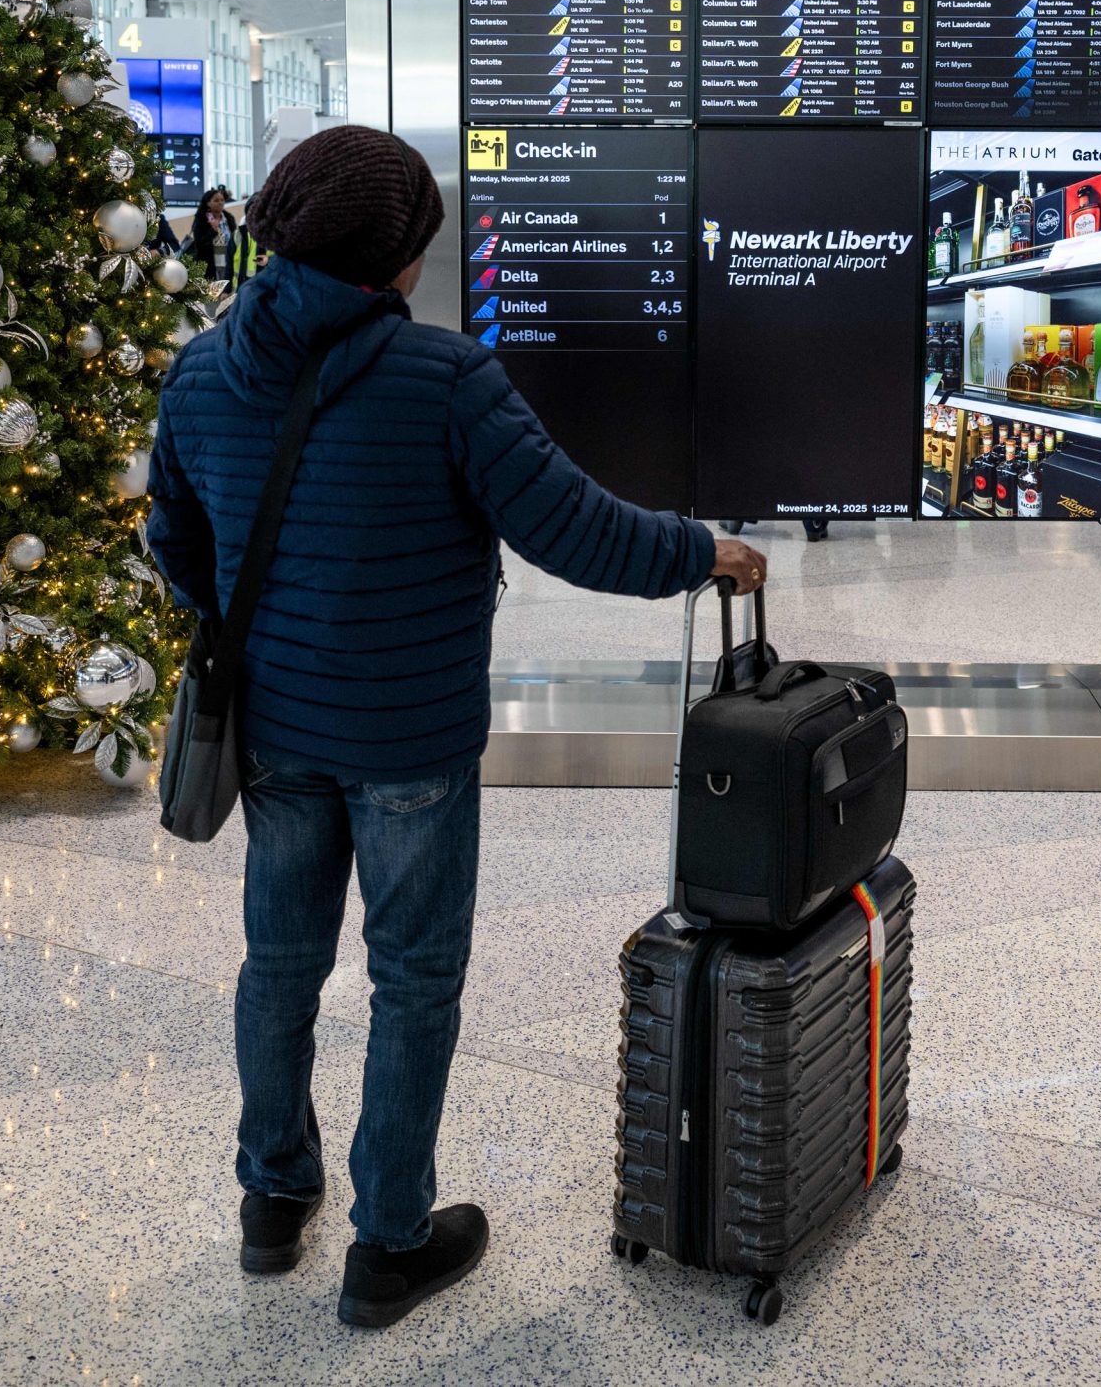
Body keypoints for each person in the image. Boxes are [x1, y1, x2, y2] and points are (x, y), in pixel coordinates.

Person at [147, 126, 764, 1329]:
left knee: (280, 963)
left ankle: (272, 1197)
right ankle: (388, 1241)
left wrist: (261, 620)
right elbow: (576, 529)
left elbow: (173, 538)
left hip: (272, 730)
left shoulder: (203, 369)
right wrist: (703, 550)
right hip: (409, 740)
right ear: (393, 258)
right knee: (413, 979)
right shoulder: (441, 379)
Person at [185, 185, 250, 285]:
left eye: (222, 200)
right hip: (209, 265)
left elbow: (235, 238)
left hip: (228, 262)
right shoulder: (202, 219)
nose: (220, 202)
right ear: (208, 203)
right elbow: (200, 244)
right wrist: (213, 230)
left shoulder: (228, 218)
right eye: (216, 200)